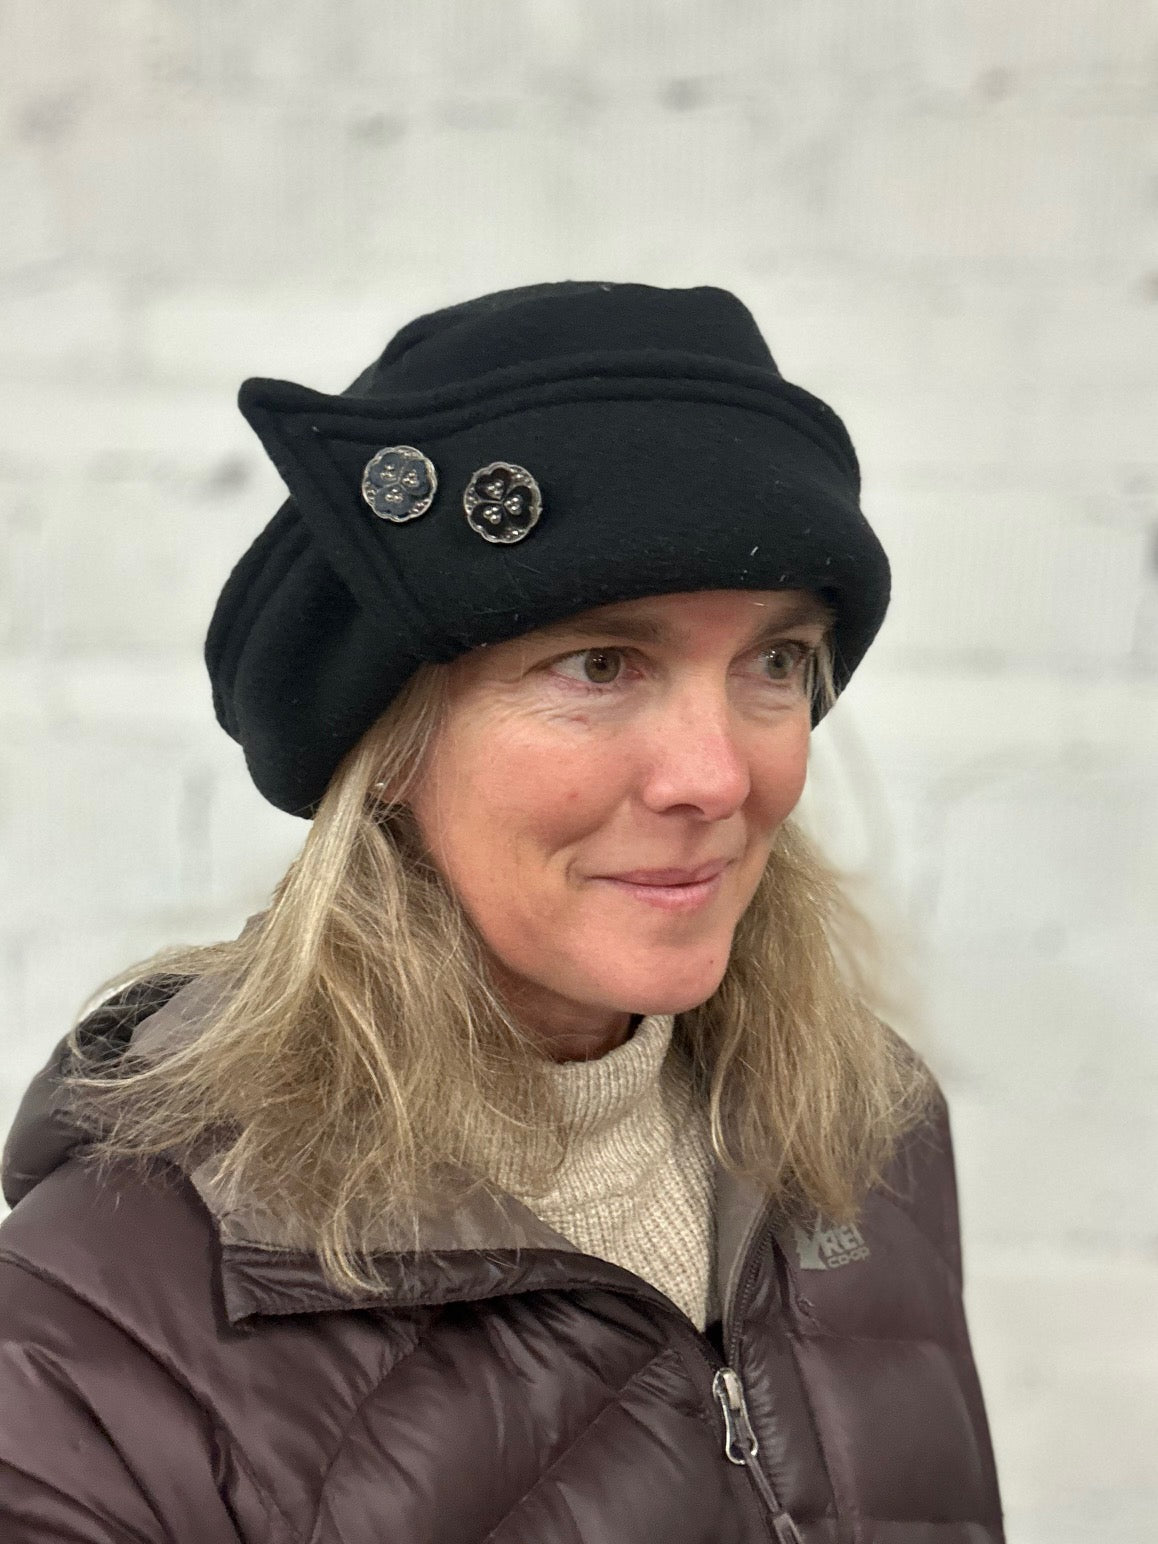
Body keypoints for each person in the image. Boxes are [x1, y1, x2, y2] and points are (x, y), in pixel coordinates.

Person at [0, 281, 1004, 1543]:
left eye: (775, 661)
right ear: (392, 748)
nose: (717, 773)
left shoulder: (864, 1131)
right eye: (599, 663)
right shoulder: (95, 1334)